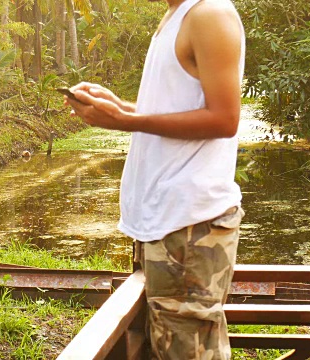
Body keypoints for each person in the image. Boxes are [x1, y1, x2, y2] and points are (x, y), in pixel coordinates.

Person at [64, 0, 245, 358]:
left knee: (187, 350)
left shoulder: (209, 13)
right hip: (167, 224)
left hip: (190, 226)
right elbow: (176, 110)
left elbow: (224, 118)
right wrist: (120, 108)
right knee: (166, 346)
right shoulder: (175, 16)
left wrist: (127, 122)